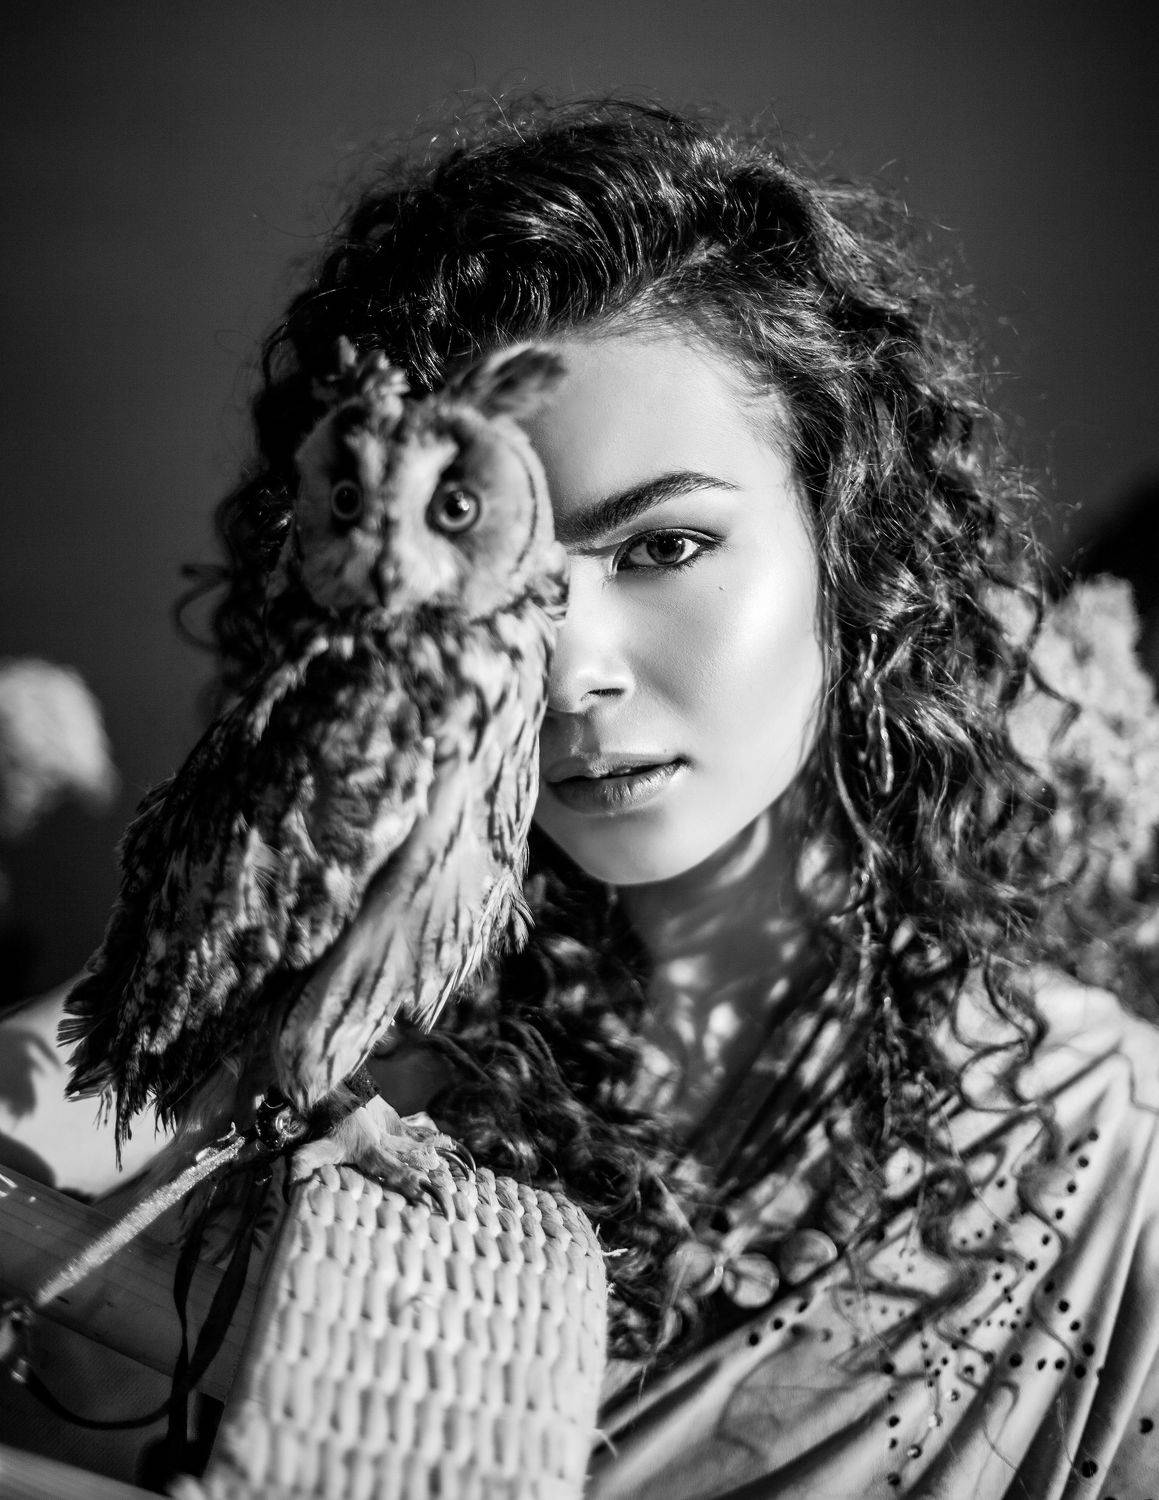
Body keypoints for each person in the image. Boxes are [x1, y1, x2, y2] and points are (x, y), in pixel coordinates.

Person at [6, 97, 1159, 1497]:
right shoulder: (361, 1006)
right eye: (496, 565)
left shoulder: (1108, 1169)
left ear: (848, 537)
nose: (568, 671)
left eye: (664, 545)